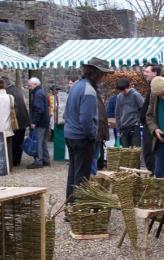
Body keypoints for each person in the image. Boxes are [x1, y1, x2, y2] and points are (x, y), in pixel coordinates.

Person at [64, 57, 113, 206]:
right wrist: (93, 136)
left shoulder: (77, 85)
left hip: (71, 135)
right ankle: (78, 208)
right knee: (82, 176)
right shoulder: (89, 90)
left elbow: (67, 113)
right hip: (82, 138)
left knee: (73, 173)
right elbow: (86, 120)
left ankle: (71, 206)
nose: (104, 78)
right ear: (97, 74)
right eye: (103, 74)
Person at [3, 77, 30, 166]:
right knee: (19, 141)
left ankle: (14, 161)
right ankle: (17, 160)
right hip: (23, 120)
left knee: (14, 142)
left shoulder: (9, 92)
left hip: (17, 121)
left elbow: (14, 108)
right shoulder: (16, 89)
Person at [140, 64, 161, 173]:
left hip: (152, 123)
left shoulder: (157, 87)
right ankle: (154, 171)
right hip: (148, 122)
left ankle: (154, 172)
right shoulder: (151, 86)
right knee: (149, 150)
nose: (145, 73)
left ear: (155, 73)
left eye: (147, 71)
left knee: (149, 149)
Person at [27, 77, 50, 169]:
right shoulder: (41, 92)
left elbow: (39, 109)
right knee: (42, 142)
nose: (29, 87)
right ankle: (45, 160)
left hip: (40, 122)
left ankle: (39, 161)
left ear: (35, 84)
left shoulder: (38, 94)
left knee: (38, 142)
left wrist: (34, 122)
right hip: (44, 121)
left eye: (30, 85)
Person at [115, 78, 144, 147]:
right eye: (121, 90)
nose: (123, 92)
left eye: (124, 90)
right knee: (125, 151)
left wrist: (138, 121)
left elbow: (143, 109)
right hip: (123, 127)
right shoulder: (119, 97)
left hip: (134, 126)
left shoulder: (136, 95)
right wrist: (118, 128)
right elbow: (117, 113)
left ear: (128, 87)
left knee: (135, 149)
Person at [91, 86, 109, 175]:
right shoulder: (99, 102)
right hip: (97, 133)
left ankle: (92, 175)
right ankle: (93, 174)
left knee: (93, 156)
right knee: (94, 156)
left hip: (94, 133)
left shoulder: (94, 102)